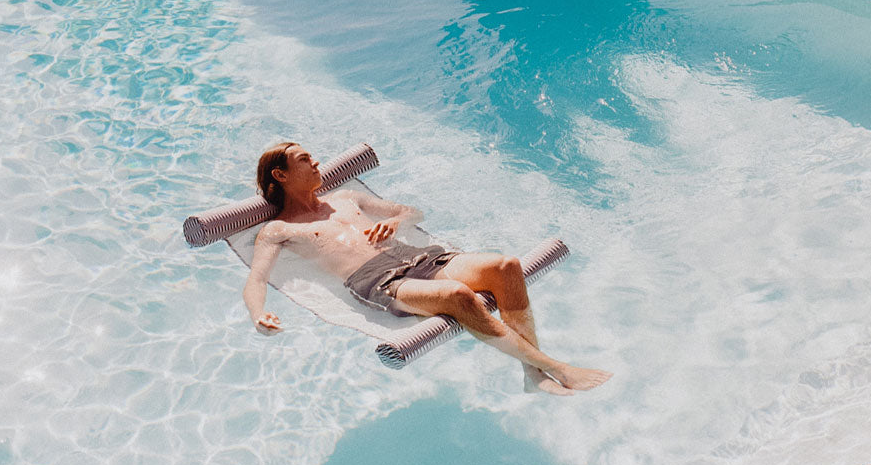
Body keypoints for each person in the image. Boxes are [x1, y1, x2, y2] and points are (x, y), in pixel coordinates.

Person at [243, 142, 611, 395]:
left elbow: (412, 212)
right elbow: (257, 278)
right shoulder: (278, 229)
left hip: (420, 258)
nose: (317, 163)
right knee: (457, 296)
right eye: (306, 159)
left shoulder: (345, 198)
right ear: (281, 175)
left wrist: (396, 222)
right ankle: (557, 367)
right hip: (380, 281)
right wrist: (259, 314)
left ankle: (532, 373)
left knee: (507, 265)